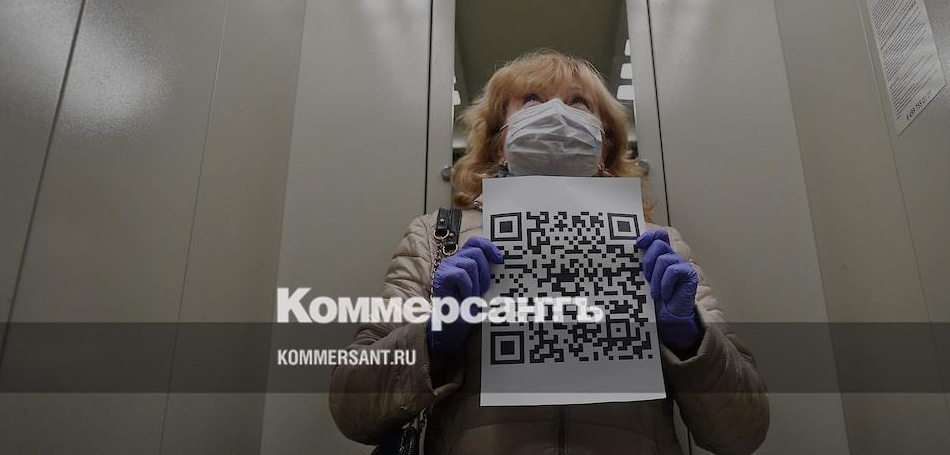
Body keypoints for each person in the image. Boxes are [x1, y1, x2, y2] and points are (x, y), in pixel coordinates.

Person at [329, 49, 770, 454]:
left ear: (605, 145)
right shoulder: (436, 237)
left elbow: (743, 430)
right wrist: (434, 339)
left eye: (578, 103)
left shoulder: (661, 246)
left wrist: (689, 336)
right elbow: (352, 409)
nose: (557, 113)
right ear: (501, 140)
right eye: (532, 100)